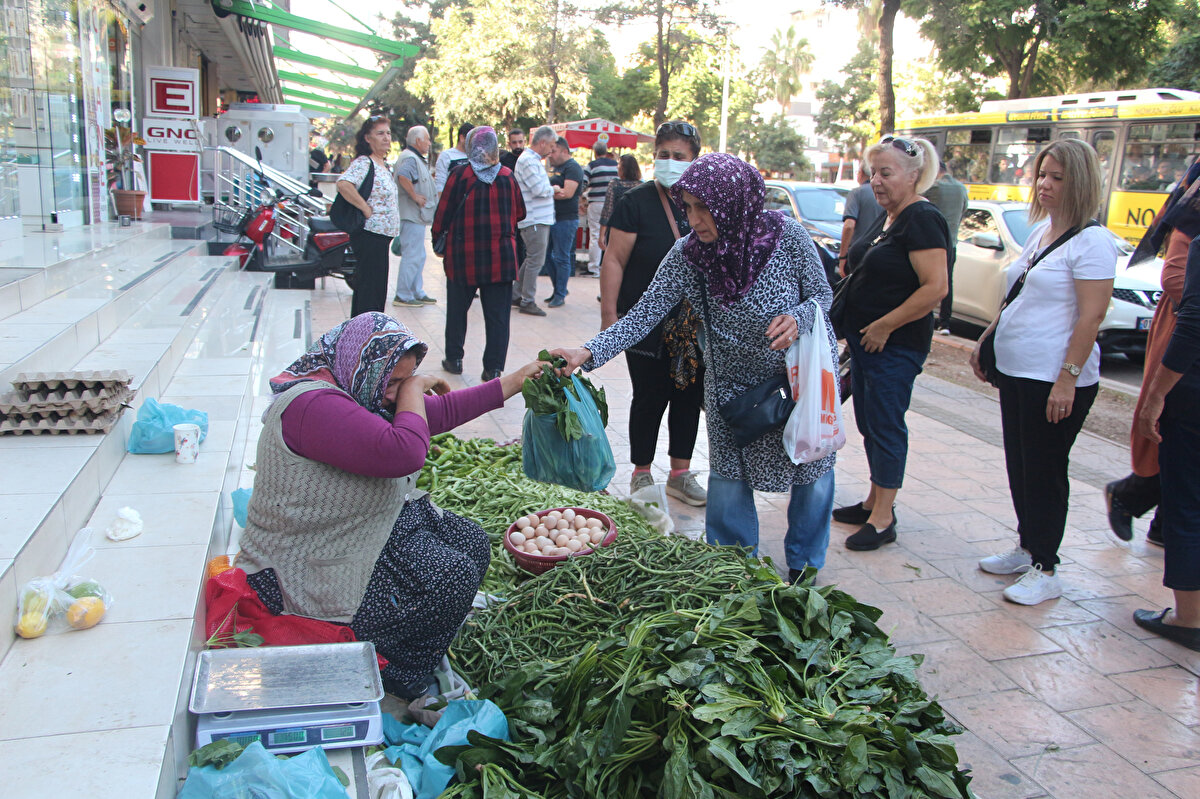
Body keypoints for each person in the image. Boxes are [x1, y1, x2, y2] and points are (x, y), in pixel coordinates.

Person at [551, 153, 837, 583]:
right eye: (687, 207)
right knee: (728, 483)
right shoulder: (690, 254)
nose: (694, 219)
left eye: (704, 208)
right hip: (730, 387)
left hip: (797, 383)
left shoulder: (789, 237)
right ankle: (731, 572)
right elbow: (645, 313)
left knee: (810, 471)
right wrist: (587, 352)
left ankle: (805, 565)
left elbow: (823, 296)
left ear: (733, 203)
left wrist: (799, 317)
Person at [237, 313, 544, 699]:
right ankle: (398, 676)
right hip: (303, 567)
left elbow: (437, 414)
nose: (397, 394)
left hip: (349, 533)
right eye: (394, 382)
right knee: (451, 576)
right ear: (362, 364)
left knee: (471, 542)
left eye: (404, 381)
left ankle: (409, 643)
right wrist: (414, 390)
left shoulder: (357, 389)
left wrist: (517, 380)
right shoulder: (311, 405)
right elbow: (404, 453)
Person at [970, 138, 1118, 605]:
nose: (1045, 185)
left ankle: (1046, 566)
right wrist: (986, 339)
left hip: (1053, 378)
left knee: (1046, 469)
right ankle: (1027, 546)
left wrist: (1067, 379)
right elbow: (1021, 294)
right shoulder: (1041, 232)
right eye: (1042, 175)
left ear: (1080, 183)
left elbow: (1090, 318)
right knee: (1020, 463)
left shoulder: (1093, 242)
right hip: (1017, 370)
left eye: (1057, 177)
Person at [835, 136, 949, 551]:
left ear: (914, 176)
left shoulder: (922, 219)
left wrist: (884, 325)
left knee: (885, 426)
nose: (876, 182)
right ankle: (873, 501)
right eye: (873, 173)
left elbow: (935, 287)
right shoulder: (892, 217)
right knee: (870, 423)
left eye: (887, 173)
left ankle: (883, 519)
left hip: (893, 347)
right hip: (868, 346)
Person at [599, 121, 705, 504]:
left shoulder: (704, 202)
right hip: (644, 320)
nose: (670, 162)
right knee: (649, 395)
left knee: (689, 396)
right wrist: (610, 317)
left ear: (694, 159)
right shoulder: (636, 202)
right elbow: (613, 259)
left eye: (679, 156)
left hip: (693, 324)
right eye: (663, 155)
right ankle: (641, 472)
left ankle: (680, 473)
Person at [1106, 158, 1200, 545]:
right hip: (1186, 338)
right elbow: (1176, 277)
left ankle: (1160, 523)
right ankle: (1134, 499)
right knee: (1173, 431)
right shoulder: (1193, 209)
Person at [1133, 229, 1200, 652]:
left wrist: (1155, 395)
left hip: (1193, 401)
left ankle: (1188, 618)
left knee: (1187, 505)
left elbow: (1192, 322)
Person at [431, 127, 526, 382]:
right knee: (498, 317)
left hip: (464, 256)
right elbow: (520, 213)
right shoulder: (508, 176)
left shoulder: (460, 175)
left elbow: (443, 213)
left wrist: (436, 238)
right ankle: (493, 368)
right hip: (501, 258)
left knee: (457, 310)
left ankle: (454, 358)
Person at [337, 116, 400, 316]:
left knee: (376, 291)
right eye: (380, 133)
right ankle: (363, 335)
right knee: (369, 292)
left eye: (388, 133)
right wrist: (364, 207)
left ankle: (369, 334)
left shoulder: (383, 164)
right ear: (367, 138)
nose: (386, 138)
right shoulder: (365, 162)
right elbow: (343, 184)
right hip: (369, 235)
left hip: (381, 238)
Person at [511, 125, 556, 317]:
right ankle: (527, 300)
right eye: (552, 145)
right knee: (535, 261)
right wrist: (555, 189)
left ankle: (515, 294)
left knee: (532, 259)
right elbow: (540, 190)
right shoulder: (529, 161)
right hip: (534, 219)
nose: (552, 149)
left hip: (537, 219)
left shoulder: (532, 160)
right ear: (542, 142)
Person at [391, 125, 437, 308]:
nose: (429, 143)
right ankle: (403, 294)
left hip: (415, 217)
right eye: (427, 139)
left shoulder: (415, 158)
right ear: (418, 141)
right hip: (411, 215)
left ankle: (416, 291)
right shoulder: (410, 158)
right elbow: (403, 176)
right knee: (412, 255)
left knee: (419, 255)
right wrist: (415, 196)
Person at [924, 160, 969, 333]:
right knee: (947, 281)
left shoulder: (934, 187)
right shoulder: (960, 188)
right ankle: (945, 322)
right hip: (952, 242)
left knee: (928, 283)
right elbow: (964, 208)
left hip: (932, 243)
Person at [838, 162, 884, 275]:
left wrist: (842, 257)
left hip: (858, 256)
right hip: (881, 254)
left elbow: (849, 225)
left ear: (861, 173)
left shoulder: (857, 193)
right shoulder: (887, 194)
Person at [583, 142, 618, 276]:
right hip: (614, 204)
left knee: (596, 235)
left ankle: (594, 267)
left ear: (595, 152)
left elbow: (583, 183)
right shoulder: (615, 165)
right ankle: (609, 266)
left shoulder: (592, 165)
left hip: (596, 203)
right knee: (612, 235)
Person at [598, 154, 642, 250]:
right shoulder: (642, 186)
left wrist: (601, 235)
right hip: (638, 231)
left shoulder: (614, 184)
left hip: (616, 230)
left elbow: (607, 211)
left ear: (622, 168)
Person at [435, 123, 475, 197]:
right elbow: (440, 183)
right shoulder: (447, 155)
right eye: (471, 140)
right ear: (462, 138)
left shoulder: (475, 156)